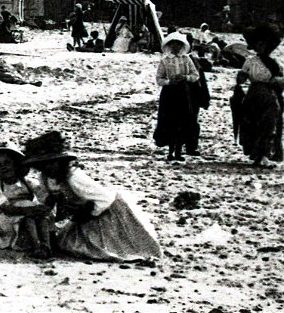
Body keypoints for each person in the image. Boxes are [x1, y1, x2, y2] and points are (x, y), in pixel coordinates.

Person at [23, 131, 162, 262]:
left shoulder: (73, 177)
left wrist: (87, 214)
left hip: (107, 213)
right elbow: (51, 199)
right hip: (83, 212)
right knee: (66, 243)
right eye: (42, 166)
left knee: (103, 248)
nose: (47, 168)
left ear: (61, 161)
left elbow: (105, 199)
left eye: (51, 163)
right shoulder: (46, 178)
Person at [0, 144, 53, 258]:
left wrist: (43, 207)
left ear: (16, 165)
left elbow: (44, 196)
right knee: (27, 217)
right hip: (10, 220)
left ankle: (46, 245)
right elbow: (7, 209)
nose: (4, 167)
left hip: (30, 214)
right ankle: (36, 246)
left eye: (7, 163)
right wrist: (29, 210)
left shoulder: (27, 183)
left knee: (42, 218)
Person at [237, 25, 284, 168]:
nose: (260, 47)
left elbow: (281, 79)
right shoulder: (250, 61)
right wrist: (240, 77)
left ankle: (265, 154)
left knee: (269, 124)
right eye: (258, 44)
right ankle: (256, 153)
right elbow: (242, 79)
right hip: (253, 95)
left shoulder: (275, 63)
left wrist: (277, 81)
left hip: (270, 95)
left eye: (263, 44)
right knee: (252, 124)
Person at [153, 32, 199, 162]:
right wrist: (169, 82)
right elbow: (158, 79)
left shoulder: (186, 59)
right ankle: (170, 151)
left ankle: (178, 151)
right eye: (173, 45)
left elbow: (195, 75)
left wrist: (185, 77)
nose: (176, 47)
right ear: (169, 46)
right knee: (169, 121)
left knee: (182, 121)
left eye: (178, 45)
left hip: (183, 92)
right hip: (169, 93)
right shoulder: (165, 60)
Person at [182, 33, 211, 157]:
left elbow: (200, 80)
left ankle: (188, 146)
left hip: (191, 93)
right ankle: (188, 146)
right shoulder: (191, 60)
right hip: (186, 93)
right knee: (189, 120)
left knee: (190, 121)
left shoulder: (191, 60)